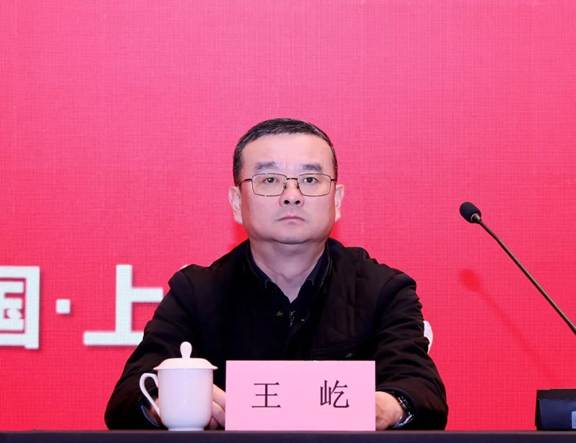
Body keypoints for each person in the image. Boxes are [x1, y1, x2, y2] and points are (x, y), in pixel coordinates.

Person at [105, 118, 448, 430]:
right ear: (237, 203)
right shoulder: (195, 293)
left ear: (337, 200)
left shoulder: (384, 290)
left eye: (310, 180)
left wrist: (385, 407)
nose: (292, 196)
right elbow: (127, 399)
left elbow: (422, 391)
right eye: (269, 180)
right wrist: (169, 403)